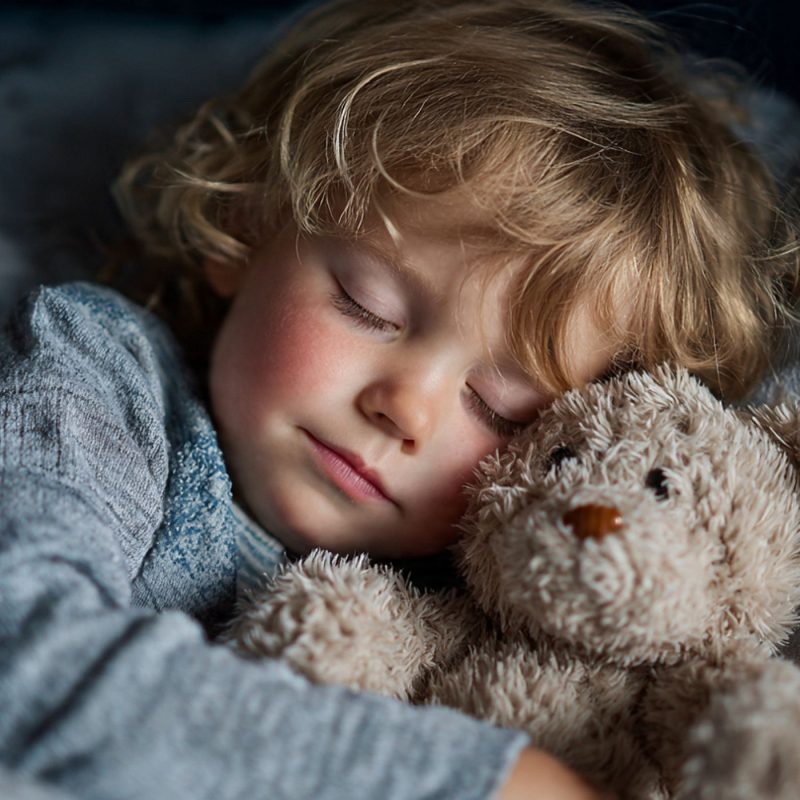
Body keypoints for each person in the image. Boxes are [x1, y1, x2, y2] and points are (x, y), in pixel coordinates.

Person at [1, 0, 797, 798]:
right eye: (366, 305)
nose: (405, 409)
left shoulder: (501, 610)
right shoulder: (99, 380)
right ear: (248, 218)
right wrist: (480, 780)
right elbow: (25, 654)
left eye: (499, 409)